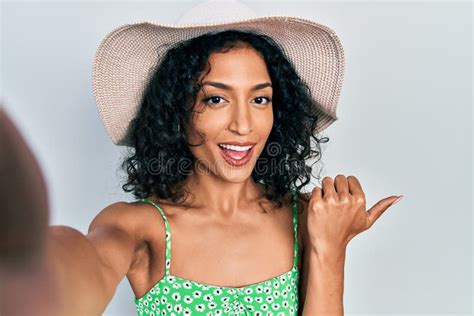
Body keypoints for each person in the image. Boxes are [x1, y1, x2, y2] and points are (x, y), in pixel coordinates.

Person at [0, 1, 404, 315]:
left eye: (260, 98)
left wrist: (331, 247)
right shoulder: (140, 228)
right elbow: (73, 266)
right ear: (177, 110)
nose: (244, 125)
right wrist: (24, 265)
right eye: (215, 99)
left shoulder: (303, 218)